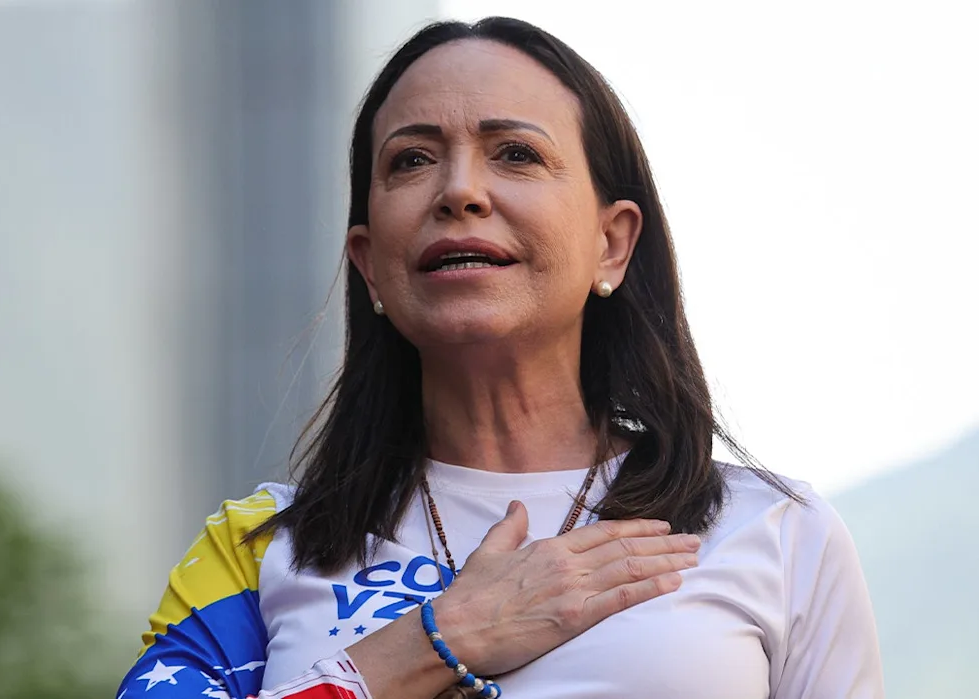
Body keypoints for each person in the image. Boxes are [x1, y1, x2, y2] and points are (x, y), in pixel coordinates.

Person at [114, 16, 883, 699]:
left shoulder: (778, 532)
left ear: (612, 243)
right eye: (411, 160)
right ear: (369, 263)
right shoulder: (256, 548)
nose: (460, 191)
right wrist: (435, 641)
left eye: (515, 153)